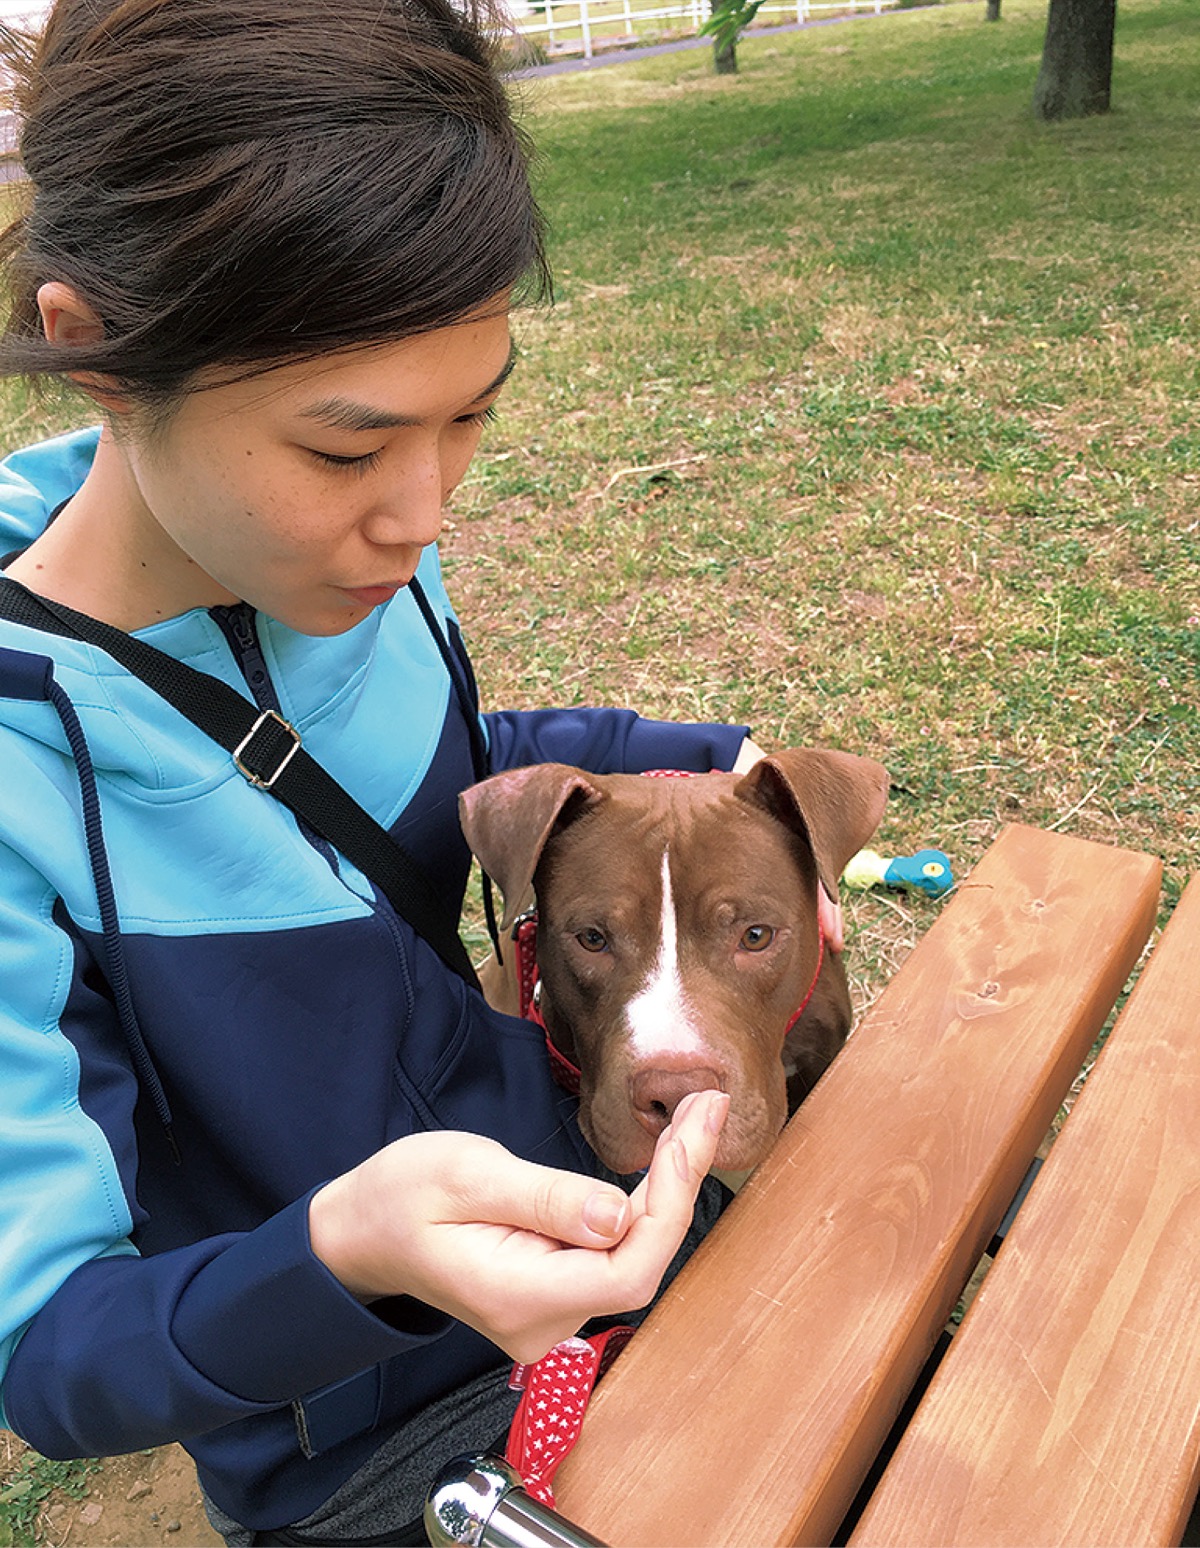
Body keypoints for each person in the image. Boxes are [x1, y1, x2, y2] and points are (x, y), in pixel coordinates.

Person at [0, 1, 760, 1542]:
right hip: (388, 1434)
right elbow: (52, 1356)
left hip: (627, 1219)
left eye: (471, 414)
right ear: (95, 356)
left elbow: (436, 777)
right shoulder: (24, 789)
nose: (423, 515)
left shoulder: (342, 564)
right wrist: (348, 1256)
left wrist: (697, 766)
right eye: (347, 451)